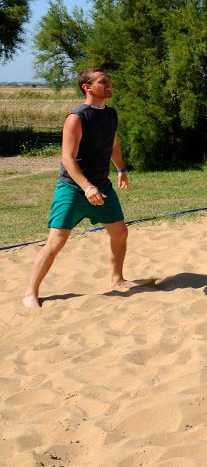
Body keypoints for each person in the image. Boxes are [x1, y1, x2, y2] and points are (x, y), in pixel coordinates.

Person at [23, 69, 146, 308]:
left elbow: (113, 143)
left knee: (120, 233)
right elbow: (68, 158)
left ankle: (117, 279)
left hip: (102, 186)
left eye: (109, 80)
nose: (109, 84)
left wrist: (121, 169)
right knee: (56, 240)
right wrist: (87, 187)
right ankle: (31, 292)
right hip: (73, 188)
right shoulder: (76, 118)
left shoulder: (110, 114)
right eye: (103, 82)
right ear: (87, 87)